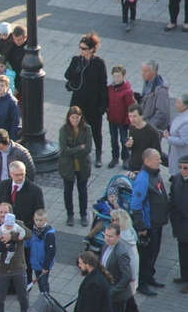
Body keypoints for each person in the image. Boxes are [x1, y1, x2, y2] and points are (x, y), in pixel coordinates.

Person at [64, 32, 108, 167]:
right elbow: (67, 75)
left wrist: (104, 104)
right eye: (80, 48)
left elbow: (103, 84)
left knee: (95, 129)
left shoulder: (99, 63)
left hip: (93, 101)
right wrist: (76, 71)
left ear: (91, 49)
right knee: (75, 127)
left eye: (84, 48)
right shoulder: (76, 60)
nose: (81, 51)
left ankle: (98, 153)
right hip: (78, 100)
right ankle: (77, 152)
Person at [131, 148, 169, 296]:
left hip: (157, 222)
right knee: (147, 254)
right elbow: (136, 205)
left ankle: (149, 275)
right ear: (147, 161)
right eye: (157, 158)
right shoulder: (143, 178)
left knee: (155, 251)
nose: (160, 160)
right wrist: (141, 227)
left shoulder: (155, 174)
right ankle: (142, 283)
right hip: (148, 225)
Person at [100, 223, 136, 312]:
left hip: (118, 296)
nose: (107, 239)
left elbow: (126, 277)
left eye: (110, 237)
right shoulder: (106, 246)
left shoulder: (121, 253)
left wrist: (112, 292)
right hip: (109, 290)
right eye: (106, 236)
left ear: (118, 236)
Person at [58, 106, 93, 227]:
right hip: (68, 166)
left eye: (77, 118)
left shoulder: (87, 129)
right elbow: (63, 150)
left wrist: (71, 150)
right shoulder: (64, 130)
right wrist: (79, 148)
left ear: (80, 117)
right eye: (73, 118)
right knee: (68, 191)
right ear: (69, 118)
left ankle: (83, 214)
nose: (75, 120)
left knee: (82, 191)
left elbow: (88, 148)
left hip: (82, 165)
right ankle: (70, 214)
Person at [106, 65, 136, 169]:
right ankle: (115, 158)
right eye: (114, 76)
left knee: (124, 140)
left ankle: (126, 159)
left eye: (118, 76)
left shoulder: (127, 91)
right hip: (112, 119)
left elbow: (131, 107)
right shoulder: (109, 88)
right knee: (113, 140)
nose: (116, 79)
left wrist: (128, 121)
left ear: (123, 76)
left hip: (122, 121)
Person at [170, 155, 188, 293]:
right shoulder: (177, 178)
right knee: (182, 251)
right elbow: (172, 195)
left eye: (185, 168)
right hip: (180, 223)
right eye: (180, 167)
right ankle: (184, 276)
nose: (182, 170)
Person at [27, 210, 56, 294]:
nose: (38, 222)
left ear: (46, 220)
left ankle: (46, 301)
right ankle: (42, 298)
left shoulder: (49, 234)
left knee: (43, 283)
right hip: (36, 263)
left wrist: (46, 266)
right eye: (36, 220)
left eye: (41, 220)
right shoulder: (33, 230)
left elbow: (51, 252)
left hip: (44, 264)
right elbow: (28, 244)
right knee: (40, 283)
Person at [164, 94, 188, 175]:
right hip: (176, 151)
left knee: (179, 172)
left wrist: (168, 137)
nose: (175, 104)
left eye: (178, 103)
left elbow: (184, 141)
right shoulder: (182, 115)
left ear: (185, 106)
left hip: (180, 153)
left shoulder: (186, 121)